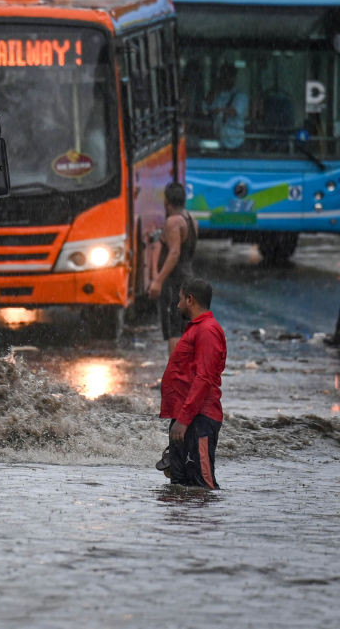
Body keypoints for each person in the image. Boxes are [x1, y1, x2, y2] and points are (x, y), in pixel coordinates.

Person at [156, 278, 226, 489]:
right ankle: (181, 522)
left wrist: (184, 420)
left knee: (202, 486)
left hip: (198, 420)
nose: (177, 306)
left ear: (190, 299)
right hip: (184, 418)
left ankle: (202, 522)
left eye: (180, 300)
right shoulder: (196, 329)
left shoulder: (207, 331)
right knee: (178, 485)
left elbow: (204, 378)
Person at [148, 182, 198, 357]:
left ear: (167, 202)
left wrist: (158, 281)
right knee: (184, 328)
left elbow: (174, 252)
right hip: (188, 279)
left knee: (174, 330)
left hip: (174, 282)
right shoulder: (191, 220)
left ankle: (175, 380)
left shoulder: (173, 222)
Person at [205, 63, 248, 150]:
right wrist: (214, 89)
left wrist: (218, 111)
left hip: (236, 141)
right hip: (218, 141)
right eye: (223, 76)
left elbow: (233, 111)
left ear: (233, 78)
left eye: (228, 76)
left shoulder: (240, 96)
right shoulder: (217, 95)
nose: (225, 79)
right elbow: (206, 106)